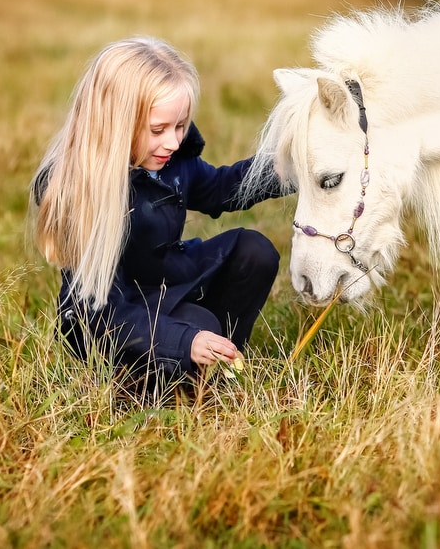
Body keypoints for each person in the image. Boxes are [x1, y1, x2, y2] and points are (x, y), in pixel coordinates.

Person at [29, 36, 287, 398]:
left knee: (253, 250)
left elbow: (218, 188)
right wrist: (184, 339)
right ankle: (150, 380)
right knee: (198, 326)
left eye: (180, 126)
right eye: (158, 130)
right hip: (109, 322)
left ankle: (210, 359)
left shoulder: (171, 160)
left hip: (168, 285)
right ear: (115, 124)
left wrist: (285, 167)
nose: (173, 142)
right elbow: (100, 315)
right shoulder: (80, 192)